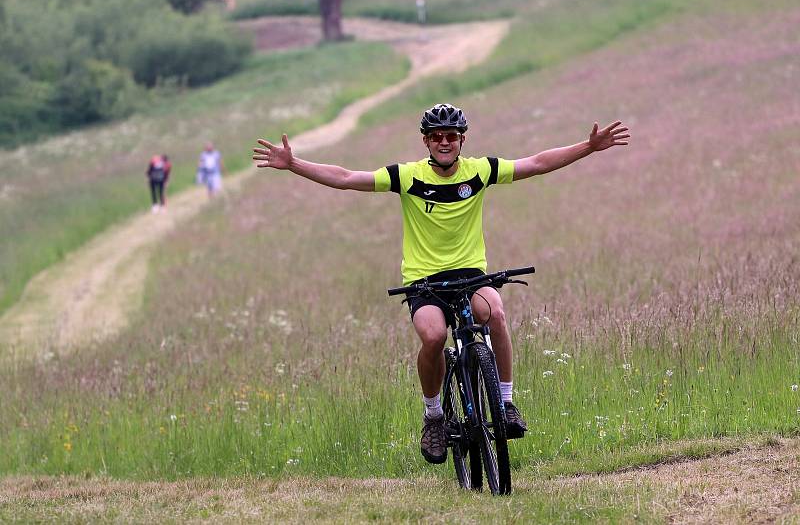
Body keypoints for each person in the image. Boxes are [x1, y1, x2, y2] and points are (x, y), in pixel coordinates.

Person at [252, 103, 629, 465]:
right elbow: (348, 179)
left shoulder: (480, 171)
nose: (444, 142)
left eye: (451, 135)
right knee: (433, 337)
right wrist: (294, 164)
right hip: (424, 281)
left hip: (471, 274)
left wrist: (588, 148)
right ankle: (434, 416)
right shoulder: (408, 176)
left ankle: (506, 402)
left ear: (463, 140)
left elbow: (536, 163)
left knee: (495, 313)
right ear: (426, 142)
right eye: (436, 137)